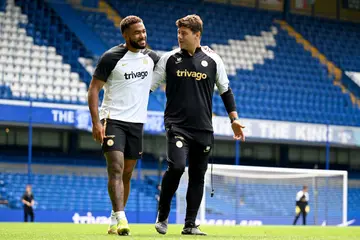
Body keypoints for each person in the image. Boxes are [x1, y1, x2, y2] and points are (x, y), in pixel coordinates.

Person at [151, 14, 245, 235]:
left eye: (184, 33)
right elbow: (149, 86)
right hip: (177, 126)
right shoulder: (169, 59)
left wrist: (234, 119)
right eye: (178, 33)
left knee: (197, 176)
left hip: (203, 128)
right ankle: (162, 215)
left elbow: (226, 91)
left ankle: (190, 224)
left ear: (197, 35)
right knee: (176, 167)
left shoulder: (214, 60)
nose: (179, 37)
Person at [88, 15, 159, 235]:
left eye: (144, 31)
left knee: (127, 173)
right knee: (116, 168)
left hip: (137, 123)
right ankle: (122, 218)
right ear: (126, 35)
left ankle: (113, 218)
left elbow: (174, 64)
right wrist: (96, 122)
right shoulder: (111, 57)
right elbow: (93, 90)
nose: (142, 35)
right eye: (137, 32)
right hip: (113, 120)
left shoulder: (151, 57)